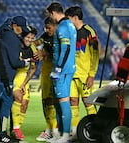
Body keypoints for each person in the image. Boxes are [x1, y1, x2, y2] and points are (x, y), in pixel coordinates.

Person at [0, 16, 30, 143]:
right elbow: (15, 62)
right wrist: (25, 62)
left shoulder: (3, 34)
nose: (22, 31)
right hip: (6, 77)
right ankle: (2, 134)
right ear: (15, 25)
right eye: (21, 28)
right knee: (6, 104)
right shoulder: (13, 39)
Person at [65, 6, 100, 140]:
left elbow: (95, 55)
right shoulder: (70, 32)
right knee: (73, 101)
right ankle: (74, 133)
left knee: (88, 103)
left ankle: (95, 131)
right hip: (72, 75)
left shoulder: (89, 32)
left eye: (69, 19)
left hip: (85, 76)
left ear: (75, 17)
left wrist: (92, 74)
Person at [46, 2, 77, 143]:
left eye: (49, 15)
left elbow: (66, 49)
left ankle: (65, 135)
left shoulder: (63, 27)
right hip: (66, 68)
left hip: (62, 70)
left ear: (53, 13)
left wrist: (58, 68)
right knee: (59, 102)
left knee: (63, 101)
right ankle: (59, 134)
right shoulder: (70, 25)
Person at [11, 26, 38, 140]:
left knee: (24, 104)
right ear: (23, 36)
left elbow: (33, 68)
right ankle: (14, 128)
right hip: (12, 76)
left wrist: (24, 83)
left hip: (23, 78)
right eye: (28, 37)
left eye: (32, 38)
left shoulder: (33, 49)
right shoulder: (15, 46)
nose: (30, 40)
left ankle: (16, 129)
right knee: (17, 97)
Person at [34, 17, 59, 142]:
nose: (46, 30)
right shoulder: (45, 36)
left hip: (58, 71)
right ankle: (49, 129)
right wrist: (37, 50)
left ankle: (56, 129)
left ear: (55, 26)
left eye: (49, 28)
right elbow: (35, 43)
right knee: (46, 100)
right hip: (46, 71)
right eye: (45, 27)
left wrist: (46, 54)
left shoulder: (61, 37)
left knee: (57, 100)